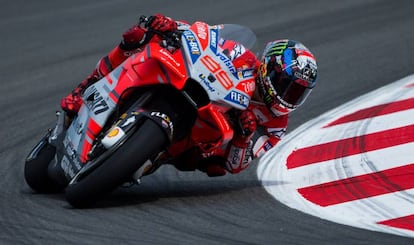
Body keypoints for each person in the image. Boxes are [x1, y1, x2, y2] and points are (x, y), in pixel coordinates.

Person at [61, 14, 318, 177]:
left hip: (207, 142)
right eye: (287, 85)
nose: (289, 96)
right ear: (268, 68)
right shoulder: (243, 57)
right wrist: (171, 26)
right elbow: (205, 36)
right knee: (138, 38)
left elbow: (236, 166)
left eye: (298, 92)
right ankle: (86, 87)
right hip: (198, 89)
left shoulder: (276, 125)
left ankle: (143, 155)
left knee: (212, 166)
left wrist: (243, 137)